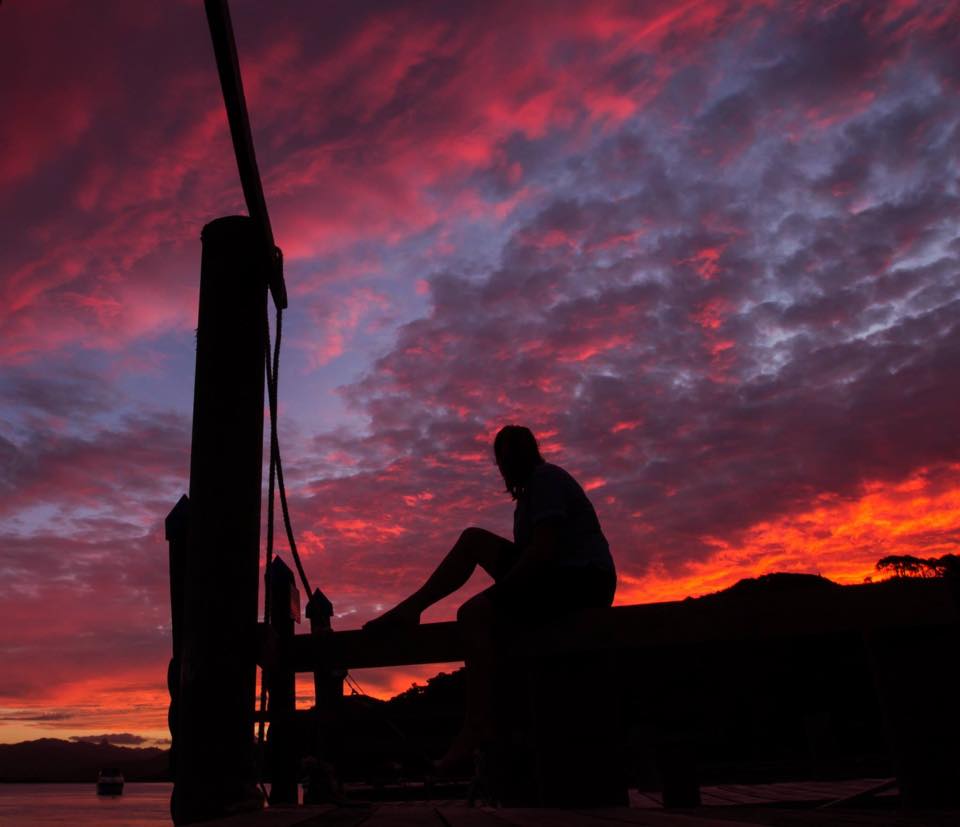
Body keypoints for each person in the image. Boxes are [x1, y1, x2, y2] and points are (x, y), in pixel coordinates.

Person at [363, 424, 616, 772]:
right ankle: (411, 609)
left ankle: (477, 725)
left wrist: (495, 599)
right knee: (473, 541)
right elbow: (533, 560)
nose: (508, 464)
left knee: (473, 613)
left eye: (515, 454)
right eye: (503, 458)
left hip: (582, 580)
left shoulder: (547, 479)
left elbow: (543, 552)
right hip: (555, 579)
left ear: (531, 453)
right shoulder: (525, 503)